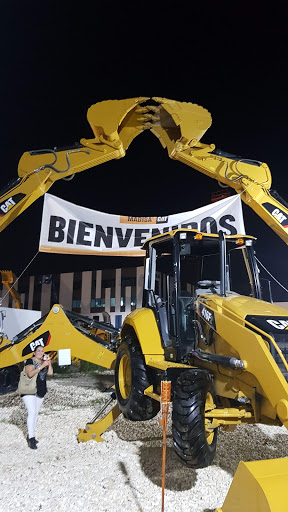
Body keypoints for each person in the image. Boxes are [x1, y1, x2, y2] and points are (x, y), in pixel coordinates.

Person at [22, 346, 53, 449]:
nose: (41, 352)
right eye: (38, 351)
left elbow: (50, 373)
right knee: (32, 412)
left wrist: (48, 363)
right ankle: (31, 438)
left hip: (40, 390)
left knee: (35, 413)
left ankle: (31, 435)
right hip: (29, 390)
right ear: (34, 352)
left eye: (42, 351)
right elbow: (30, 374)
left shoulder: (43, 362)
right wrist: (41, 366)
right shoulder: (30, 361)